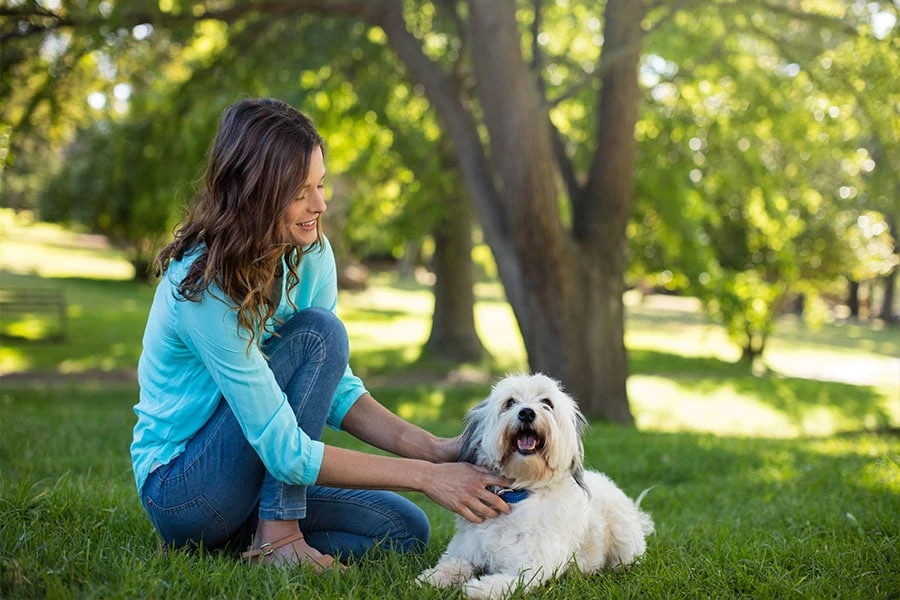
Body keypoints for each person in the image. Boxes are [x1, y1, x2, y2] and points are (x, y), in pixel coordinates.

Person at [130, 97, 511, 570]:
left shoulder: (308, 254)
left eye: (320, 185)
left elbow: (333, 390)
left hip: (249, 481)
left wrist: (436, 451)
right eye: (300, 192)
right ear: (255, 192)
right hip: (183, 489)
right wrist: (427, 477)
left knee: (403, 531)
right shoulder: (203, 286)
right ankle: (277, 536)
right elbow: (285, 449)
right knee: (318, 333)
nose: (320, 204)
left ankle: (242, 541)